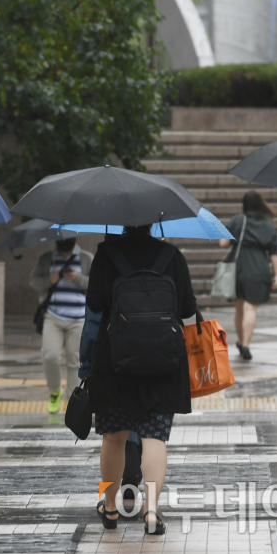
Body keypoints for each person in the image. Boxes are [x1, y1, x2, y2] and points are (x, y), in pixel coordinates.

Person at [86, 225, 197, 534]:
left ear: (122, 223)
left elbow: (94, 305)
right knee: (154, 437)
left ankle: (110, 509)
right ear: (153, 222)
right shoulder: (172, 256)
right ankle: (151, 512)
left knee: (114, 437)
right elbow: (188, 308)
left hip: (115, 361)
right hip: (163, 362)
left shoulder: (106, 255)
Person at [30, 237, 93, 414]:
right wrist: (50, 279)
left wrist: (77, 278)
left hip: (79, 318)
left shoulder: (86, 258)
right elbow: (33, 281)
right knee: (50, 355)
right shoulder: (46, 258)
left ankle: (72, 402)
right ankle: (55, 391)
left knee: (75, 361)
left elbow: (97, 283)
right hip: (53, 317)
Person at [218, 191, 277, 361]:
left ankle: (239, 341)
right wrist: (276, 274)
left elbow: (223, 244)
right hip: (259, 267)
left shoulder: (238, 220)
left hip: (239, 267)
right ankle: (245, 344)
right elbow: (274, 253)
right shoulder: (268, 225)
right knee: (250, 308)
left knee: (239, 309)